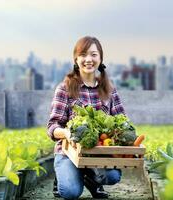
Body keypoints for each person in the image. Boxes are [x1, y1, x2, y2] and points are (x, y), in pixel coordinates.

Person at [47, 36, 126, 200]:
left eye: (93, 54)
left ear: (100, 58)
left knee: (113, 176)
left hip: (99, 153)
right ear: (76, 59)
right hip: (69, 152)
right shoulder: (64, 88)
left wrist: (124, 135)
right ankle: (63, 175)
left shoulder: (110, 90)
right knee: (70, 192)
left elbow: (122, 120)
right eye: (83, 55)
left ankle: (92, 179)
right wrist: (68, 133)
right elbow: (53, 127)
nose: (88, 59)